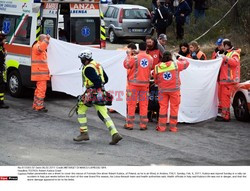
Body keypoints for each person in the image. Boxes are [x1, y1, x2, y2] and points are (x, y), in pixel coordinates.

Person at [74, 49, 122, 145]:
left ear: (85, 59)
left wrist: (88, 92)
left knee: (80, 109)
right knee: (103, 114)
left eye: (82, 59)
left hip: (93, 92)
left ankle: (84, 133)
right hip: (100, 93)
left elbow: (97, 81)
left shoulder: (88, 68)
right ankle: (115, 133)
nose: (81, 61)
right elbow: (106, 79)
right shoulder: (97, 65)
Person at [154, 51, 189, 132]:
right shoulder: (176, 64)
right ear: (170, 57)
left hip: (162, 90)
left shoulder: (157, 67)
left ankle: (161, 127)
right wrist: (179, 57)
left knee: (163, 108)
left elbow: (155, 80)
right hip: (174, 91)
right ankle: (173, 127)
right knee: (174, 108)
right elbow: (187, 63)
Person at [124, 42, 153, 130]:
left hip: (133, 85)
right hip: (145, 85)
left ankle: (129, 125)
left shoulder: (134, 58)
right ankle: (143, 125)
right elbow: (150, 68)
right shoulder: (150, 58)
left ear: (138, 48)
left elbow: (126, 65)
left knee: (131, 104)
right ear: (146, 48)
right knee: (144, 105)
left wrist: (128, 55)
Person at [215, 39, 241, 122]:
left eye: (222, 45)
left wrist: (225, 58)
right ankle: (224, 115)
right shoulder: (225, 53)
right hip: (224, 80)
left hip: (229, 81)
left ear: (226, 45)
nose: (220, 47)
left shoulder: (234, 53)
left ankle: (226, 116)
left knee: (225, 99)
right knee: (222, 99)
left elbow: (235, 63)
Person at [31, 34, 50, 112]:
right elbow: (41, 48)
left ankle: (36, 105)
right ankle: (39, 107)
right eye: (45, 39)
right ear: (43, 39)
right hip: (40, 73)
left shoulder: (38, 46)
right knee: (41, 90)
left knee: (38, 90)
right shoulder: (37, 46)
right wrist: (47, 39)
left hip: (40, 73)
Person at [0, 31, 9, 109]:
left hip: (1, 68)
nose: (5, 40)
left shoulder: (2, 47)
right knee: (1, 85)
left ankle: (1, 102)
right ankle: (1, 103)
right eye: (4, 38)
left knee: (2, 85)